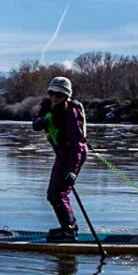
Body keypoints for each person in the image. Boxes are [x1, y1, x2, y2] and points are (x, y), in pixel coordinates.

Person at [31, 75, 88, 239]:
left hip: (72, 154)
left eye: (59, 95)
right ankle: (68, 227)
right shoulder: (47, 105)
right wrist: (38, 121)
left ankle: (69, 230)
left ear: (66, 96)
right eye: (52, 93)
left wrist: (72, 170)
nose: (54, 97)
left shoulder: (72, 112)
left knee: (57, 193)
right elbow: (36, 121)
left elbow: (77, 144)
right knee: (53, 193)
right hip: (62, 153)